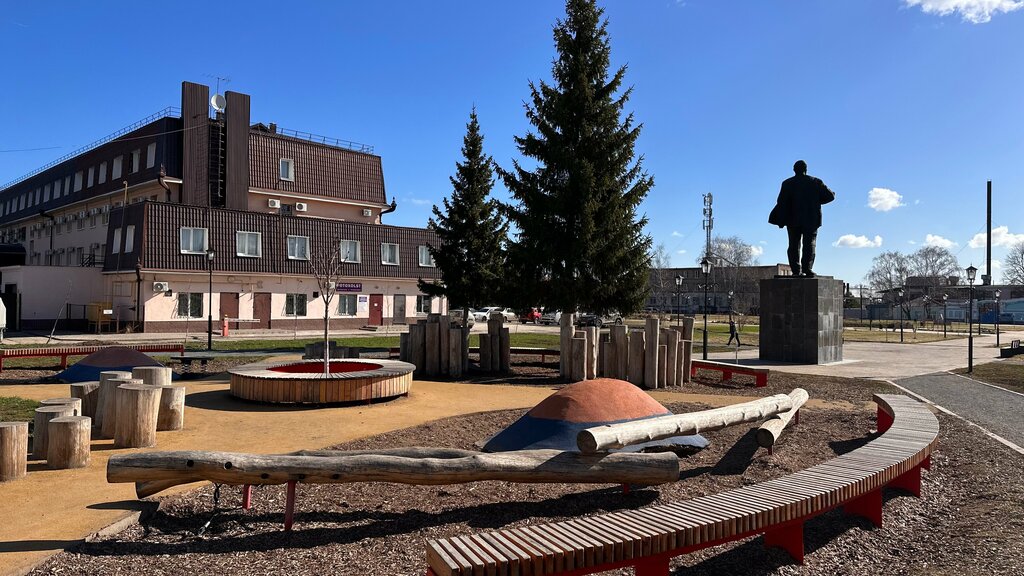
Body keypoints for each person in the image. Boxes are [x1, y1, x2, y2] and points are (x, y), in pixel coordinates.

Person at [769, 160, 835, 277]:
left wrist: (780, 218)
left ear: (794, 170)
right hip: (811, 219)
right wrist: (816, 201)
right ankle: (807, 269)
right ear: (806, 169)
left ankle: (795, 270)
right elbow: (830, 196)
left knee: (793, 244)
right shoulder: (815, 182)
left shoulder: (787, 183)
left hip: (793, 219)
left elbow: (781, 202)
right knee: (809, 244)